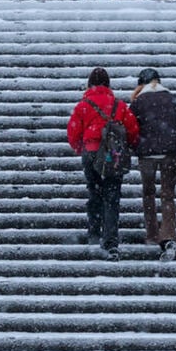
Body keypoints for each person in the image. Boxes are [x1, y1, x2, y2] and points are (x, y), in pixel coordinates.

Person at [67, 67, 139, 262]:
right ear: (108, 84)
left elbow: (73, 132)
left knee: (94, 193)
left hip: (91, 154)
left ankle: (94, 233)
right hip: (113, 155)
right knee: (112, 196)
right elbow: (132, 130)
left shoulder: (83, 105)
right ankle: (110, 242)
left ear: (89, 84)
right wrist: (128, 146)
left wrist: (80, 148)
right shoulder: (119, 105)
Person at [129, 68, 176, 262]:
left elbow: (129, 126)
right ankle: (168, 235)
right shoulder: (172, 98)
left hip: (146, 155)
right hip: (169, 154)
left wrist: (138, 144)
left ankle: (151, 234)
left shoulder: (138, 101)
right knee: (167, 195)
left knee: (148, 193)